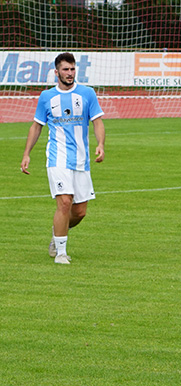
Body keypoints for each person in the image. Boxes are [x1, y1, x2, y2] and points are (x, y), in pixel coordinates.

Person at [20, 52, 106, 264]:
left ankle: (57, 232)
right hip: (57, 158)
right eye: (66, 69)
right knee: (65, 202)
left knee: (80, 211)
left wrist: (101, 144)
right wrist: (26, 154)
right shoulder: (47, 97)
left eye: (73, 69)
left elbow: (97, 121)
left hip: (81, 159)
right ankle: (61, 253)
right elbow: (36, 126)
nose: (70, 73)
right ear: (56, 72)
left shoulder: (87, 94)